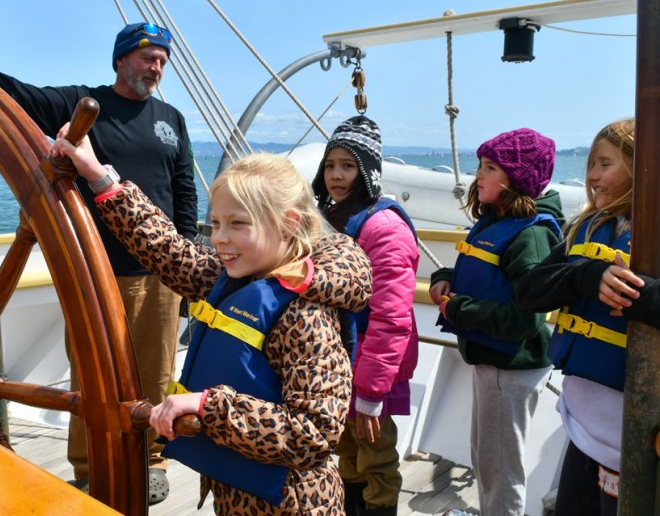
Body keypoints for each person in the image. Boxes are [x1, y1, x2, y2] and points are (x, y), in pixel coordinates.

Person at [0, 16, 198, 503]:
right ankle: (90, 467)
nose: (155, 67)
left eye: (161, 60)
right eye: (145, 57)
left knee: (154, 372)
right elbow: (17, 93)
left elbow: (183, 191)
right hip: (96, 270)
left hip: (160, 273)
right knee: (94, 374)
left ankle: (149, 459)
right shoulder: (80, 102)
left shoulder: (171, 119)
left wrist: (186, 258)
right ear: (120, 60)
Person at [52, 126, 372, 514]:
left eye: (238, 224)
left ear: (288, 224)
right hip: (235, 495)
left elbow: (313, 434)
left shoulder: (305, 316)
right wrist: (98, 175)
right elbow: (167, 250)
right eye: (216, 223)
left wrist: (208, 408)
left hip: (292, 504)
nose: (219, 238)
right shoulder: (234, 280)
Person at [517, 118, 659, 516]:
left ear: (642, 166)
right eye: (590, 165)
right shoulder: (587, 227)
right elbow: (529, 291)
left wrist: (638, 297)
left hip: (635, 440)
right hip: (582, 429)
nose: (592, 176)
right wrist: (586, 275)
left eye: (604, 164)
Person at [428, 128, 564, 516]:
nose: (479, 175)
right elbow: (481, 273)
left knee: (502, 470)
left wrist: (459, 310)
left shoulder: (531, 235)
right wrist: (445, 279)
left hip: (511, 369)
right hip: (491, 361)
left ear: (515, 179)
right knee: (487, 461)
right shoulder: (495, 220)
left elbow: (526, 317)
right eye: (480, 166)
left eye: (490, 168)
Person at [311, 115, 419, 516]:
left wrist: (372, 393)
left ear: (368, 170)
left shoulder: (384, 227)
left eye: (348, 165)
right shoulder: (333, 218)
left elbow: (392, 317)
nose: (336, 175)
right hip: (340, 365)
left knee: (377, 462)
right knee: (348, 454)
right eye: (329, 165)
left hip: (372, 371)